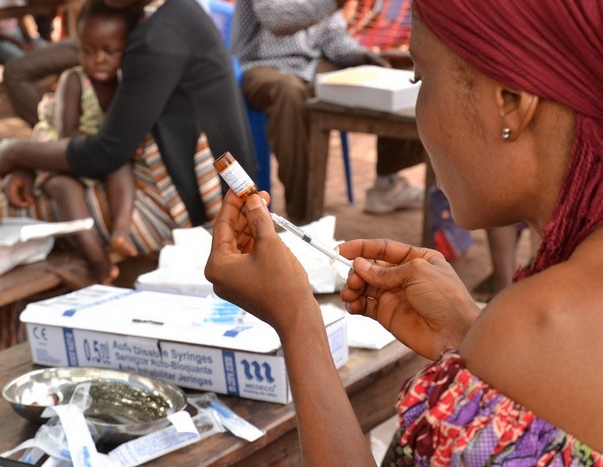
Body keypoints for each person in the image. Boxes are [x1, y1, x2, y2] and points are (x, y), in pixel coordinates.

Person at [205, 0, 603, 463]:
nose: (417, 112)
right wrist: (467, 332)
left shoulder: (538, 326)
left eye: (420, 78)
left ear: (511, 103)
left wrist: (298, 321)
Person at [0, 0, 256, 282]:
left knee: (3, 215)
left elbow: (108, 151)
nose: (99, 56)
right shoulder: (171, 12)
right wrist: (28, 164)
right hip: (185, 184)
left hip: (185, 207)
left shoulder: (157, 36)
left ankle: (92, 274)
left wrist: (12, 153)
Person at [231, 0, 424, 222]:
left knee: (397, 74)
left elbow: (332, 38)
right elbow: (277, 19)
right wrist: (333, 2)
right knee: (289, 94)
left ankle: (387, 183)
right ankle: (303, 216)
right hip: (260, 66)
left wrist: (363, 57)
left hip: (309, 66)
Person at [30, 0, 137, 283]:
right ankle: (96, 259)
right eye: (88, 51)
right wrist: (102, 148)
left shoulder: (125, 84)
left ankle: (121, 233)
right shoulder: (74, 81)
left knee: (120, 166)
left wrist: (107, 151)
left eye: (109, 51)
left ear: (125, 50)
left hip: (97, 154)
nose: (98, 58)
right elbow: (66, 135)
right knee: (66, 188)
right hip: (62, 156)